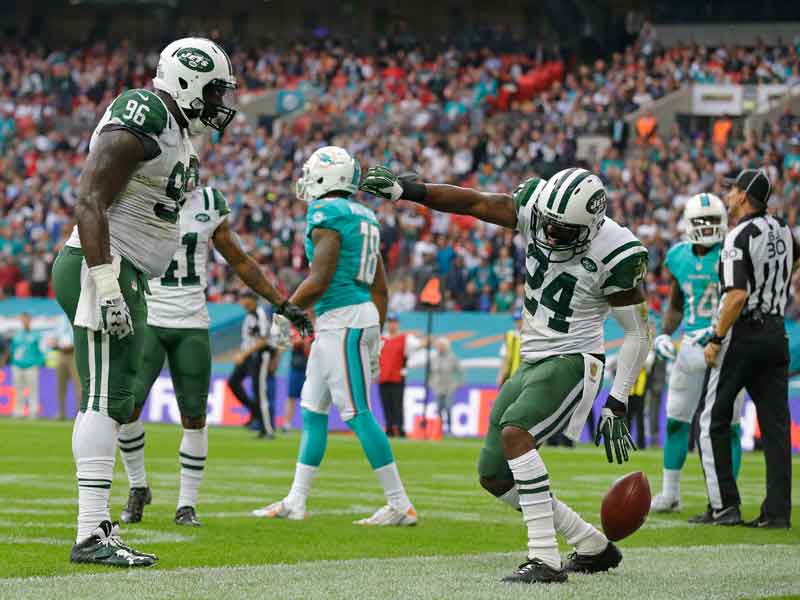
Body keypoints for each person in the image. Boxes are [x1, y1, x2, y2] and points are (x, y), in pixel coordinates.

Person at [362, 165, 651, 583]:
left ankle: (544, 557)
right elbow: (474, 202)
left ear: (590, 227)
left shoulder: (616, 251)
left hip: (575, 358)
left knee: (517, 433)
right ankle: (590, 543)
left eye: (562, 230)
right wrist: (408, 190)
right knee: (494, 475)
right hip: (531, 358)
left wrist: (618, 400)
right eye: (547, 224)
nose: (550, 235)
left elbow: (638, 332)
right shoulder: (537, 207)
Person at [51, 37, 238, 566]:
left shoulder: (177, 130)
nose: (220, 101)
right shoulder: (146, 110)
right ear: (188, 80)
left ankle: (95, 528)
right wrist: (106, 282)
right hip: (105, 265)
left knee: (110, 397)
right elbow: (90, 198)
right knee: (106, 397)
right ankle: (91, 534)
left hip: (123, 268)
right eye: (215, 90)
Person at [116, 183, 311, 526]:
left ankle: (186, 505)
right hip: (149, 317)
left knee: (194, 415)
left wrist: (280, 302)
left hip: (191, 321)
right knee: (127, 406)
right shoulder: (142, 192)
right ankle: (138, 486)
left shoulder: (208, 201)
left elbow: (240, 261)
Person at [252, 146, 416, 526]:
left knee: (357, 413)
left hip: (344, 321)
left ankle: (400, 504)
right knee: (312, 408)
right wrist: (376, 335)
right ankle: (296, 500)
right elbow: (381, 289)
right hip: (349, 320)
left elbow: (320, 279)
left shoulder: (326, 212)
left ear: (327, 176)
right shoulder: (365, 215)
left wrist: (286, 310)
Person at [694, 169, 798, 528]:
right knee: (776, 428)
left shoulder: (738, 235)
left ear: (743, 196)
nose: (728, 195)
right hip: (776, 332)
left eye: (733, 189)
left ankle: (724, 506)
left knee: (712, 420)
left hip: (743, 334)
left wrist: (716, 338)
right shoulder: (783, 229)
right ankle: (778, 512)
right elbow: (794, 259)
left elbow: (737, 295)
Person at [650, 194, 744, 512]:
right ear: (689, 224)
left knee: (728, 426)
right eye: (701, 221)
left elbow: (742, 297)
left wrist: (719, 328)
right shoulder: (678, 256)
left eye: (712, 221)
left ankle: (726, 496)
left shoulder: (732, 251)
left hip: (726, 341)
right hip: (690, 344)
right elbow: (677, 304)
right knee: (676, 420)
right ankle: (670, 493)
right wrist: (665, 333)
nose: (707, 227)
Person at [227, 292, 279, 439]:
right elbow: (248, 339)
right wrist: (241, 353)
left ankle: (267, 429)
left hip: (261, 355)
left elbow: (263, 340)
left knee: (260, 392)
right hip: (249, 355)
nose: (241, 302)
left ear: (251, 300)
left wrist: (243, 355)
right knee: (233, 382)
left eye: (243, 299)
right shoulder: (249, 316)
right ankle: (255, 411)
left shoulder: (260, 314)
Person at [378, 313, 423, 436]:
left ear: (397, 324)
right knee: (386, 404)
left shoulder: (405, 338)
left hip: (397, 376)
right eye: (390, 322)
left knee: (397, 403)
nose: (392, 325)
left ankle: (399, 428)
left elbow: (417, 346)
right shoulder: (381, 339)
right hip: (384, 376)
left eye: (394, 322)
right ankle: (389, 428)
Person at [9, 313, 46, 418]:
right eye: (23, 319)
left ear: (30, 320)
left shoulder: (36, 335)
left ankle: (33, 412)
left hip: (31, 366)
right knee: (18, 390)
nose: (25, 321)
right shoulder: (17, 335)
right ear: (21, 321)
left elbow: (42, 350)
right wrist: (13, 363)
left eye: (27, 319)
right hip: (17, 366)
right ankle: (18, 412)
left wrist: (38, 362)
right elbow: (12, 350)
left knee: (33, 390)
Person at [429, 337, 463, 435]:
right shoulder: (434, 358)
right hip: (437, 388)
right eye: (438, 346)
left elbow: (460, 371)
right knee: (439, 409)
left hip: (449, 387)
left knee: (448, 408)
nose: (439, 347)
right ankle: (439, 429)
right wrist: (431, 384)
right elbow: (430, 373)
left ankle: (449, 429)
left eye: (442, 345)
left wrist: (457, 384)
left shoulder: (452, 358)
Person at [51, 313, 81, 420]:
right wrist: (54, 343)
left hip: (75, 353)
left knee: (78, 385)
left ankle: (79, 414)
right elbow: (55, 336)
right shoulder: (60, 319)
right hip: (61, 353)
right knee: (60, 386)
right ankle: (61, 413)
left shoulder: (78, 317)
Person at [283, 327, 311, 432]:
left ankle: (308, 425)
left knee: (309, 398)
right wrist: (302, 340)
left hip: (310, 369)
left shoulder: (313, 329)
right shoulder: (294, 329)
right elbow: (293, 342)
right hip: (296, 367)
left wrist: (306, 342)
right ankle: (287, 424)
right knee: (291, 397)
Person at [496, 309, 522, 388]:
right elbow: (504, 358)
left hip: (523, 378)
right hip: (509, 377)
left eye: (520, 320)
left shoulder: (530, 337)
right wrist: (500, 376)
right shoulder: (509, 335)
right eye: (516, 321)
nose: (518, 323)